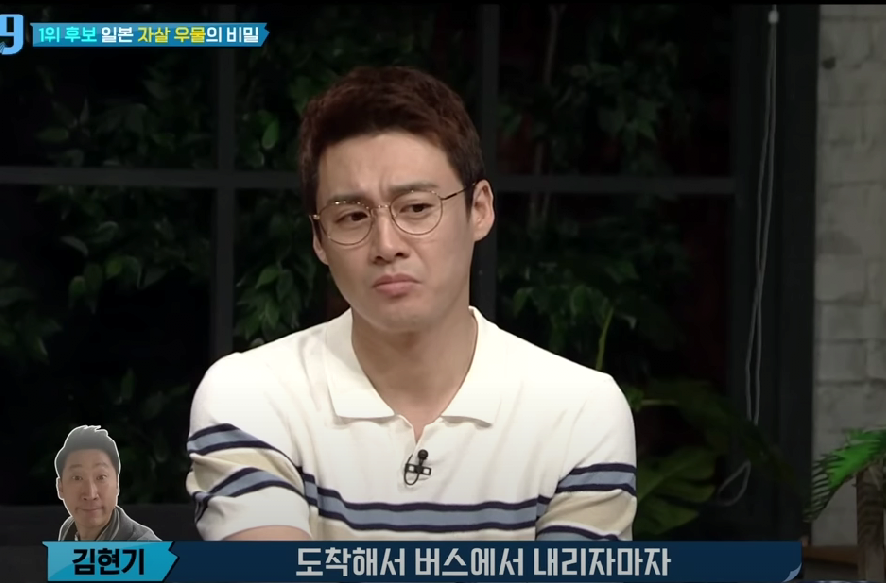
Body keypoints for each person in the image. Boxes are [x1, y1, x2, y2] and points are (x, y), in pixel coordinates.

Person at [186, 66, 636, 542]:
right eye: (352, 216)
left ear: (479, 209)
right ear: (319, 239)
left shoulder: (578, 411)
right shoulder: (252, 395)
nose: (387, 244)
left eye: (417, 208)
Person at [56, 425, 160, 542]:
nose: (91, 494)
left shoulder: (148, 548)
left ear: (117, 483)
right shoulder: (69, 530)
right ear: (60, 487)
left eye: (101, 477)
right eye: (77, 478)